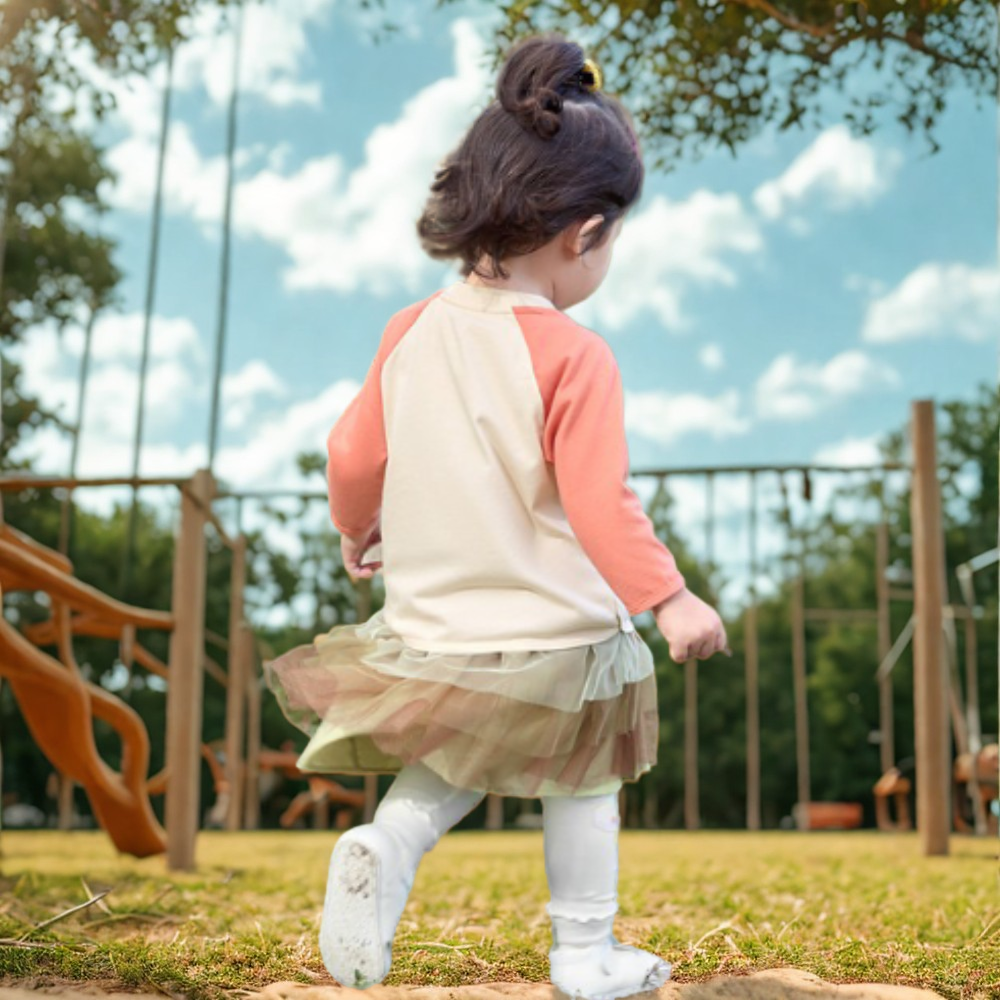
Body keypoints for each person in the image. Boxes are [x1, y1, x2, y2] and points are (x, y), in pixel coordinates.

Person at [264, 31, 730, 1000]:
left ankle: (384, 846)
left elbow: (350, 454)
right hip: (557, 632)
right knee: (584, 779)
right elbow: (599, 502)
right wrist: (670, 596)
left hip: (439, 629)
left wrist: (359, 528)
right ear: (585, 232)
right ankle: (583, 952)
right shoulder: (572, 352)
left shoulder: (411, 328)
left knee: (451, 762)